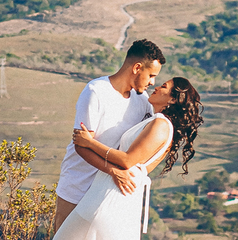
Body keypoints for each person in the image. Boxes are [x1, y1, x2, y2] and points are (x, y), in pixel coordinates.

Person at [53, 77, 203, 240]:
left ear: (173, 99)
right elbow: (144, 167)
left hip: (108, 197)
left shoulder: (160, 124)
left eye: (164, 86)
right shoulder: (159, 123)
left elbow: (127, 160)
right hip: (113, 195)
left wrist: (90, 143)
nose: (157, 87)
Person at [53, 39, 166, 232]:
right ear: (137, 68)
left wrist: (139, 173)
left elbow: (159, 140)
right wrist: (114, 171)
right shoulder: (96, 91)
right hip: (78, 186)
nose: (153, 82)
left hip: (109, 192)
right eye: (151, 75)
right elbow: (81, 145)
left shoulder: (144, 102)